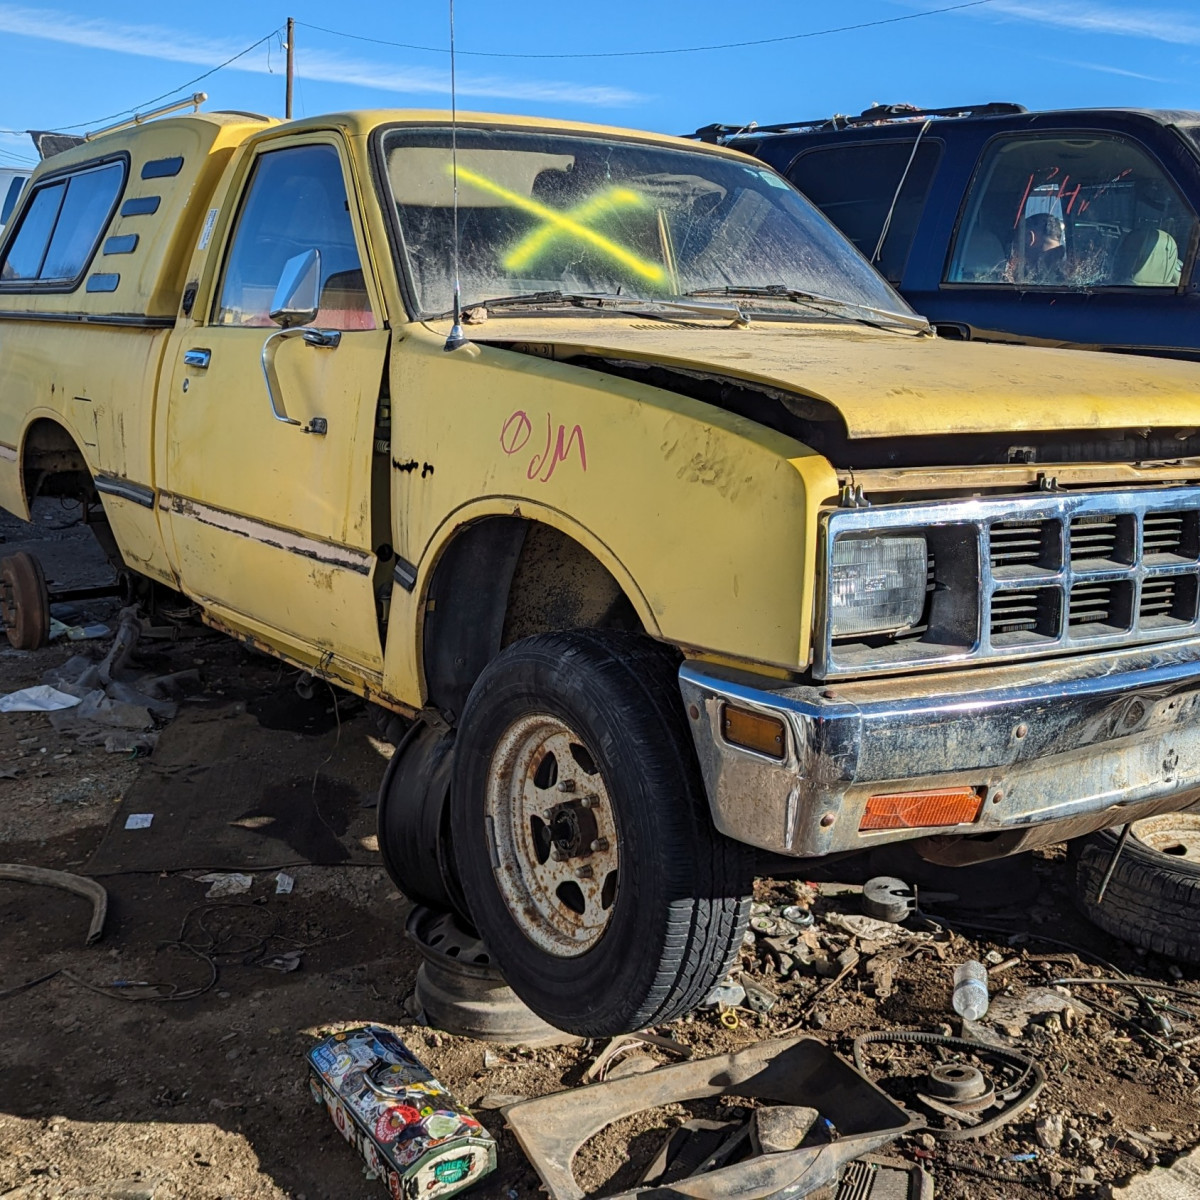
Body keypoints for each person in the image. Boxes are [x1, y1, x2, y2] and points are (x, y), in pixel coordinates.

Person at [1019, 212, 1067, 283]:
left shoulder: (1020, 280)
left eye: (1018, 240)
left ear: (1029, 238)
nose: (1013, 249)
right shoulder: (1070, 276)